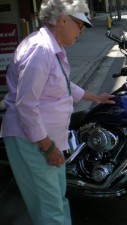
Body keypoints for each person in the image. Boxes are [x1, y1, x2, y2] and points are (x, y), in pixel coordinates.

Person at [0, 0, 115, 224]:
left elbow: (62, 84)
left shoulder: (52, 48)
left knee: (58, 201)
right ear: (63, 19)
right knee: (49, 210)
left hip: (48, 140)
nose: (81, 31)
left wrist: (95, 97)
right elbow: (26, 105)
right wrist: (48, 146)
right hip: (33, 141)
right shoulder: (40, 50)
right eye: (80, 25)